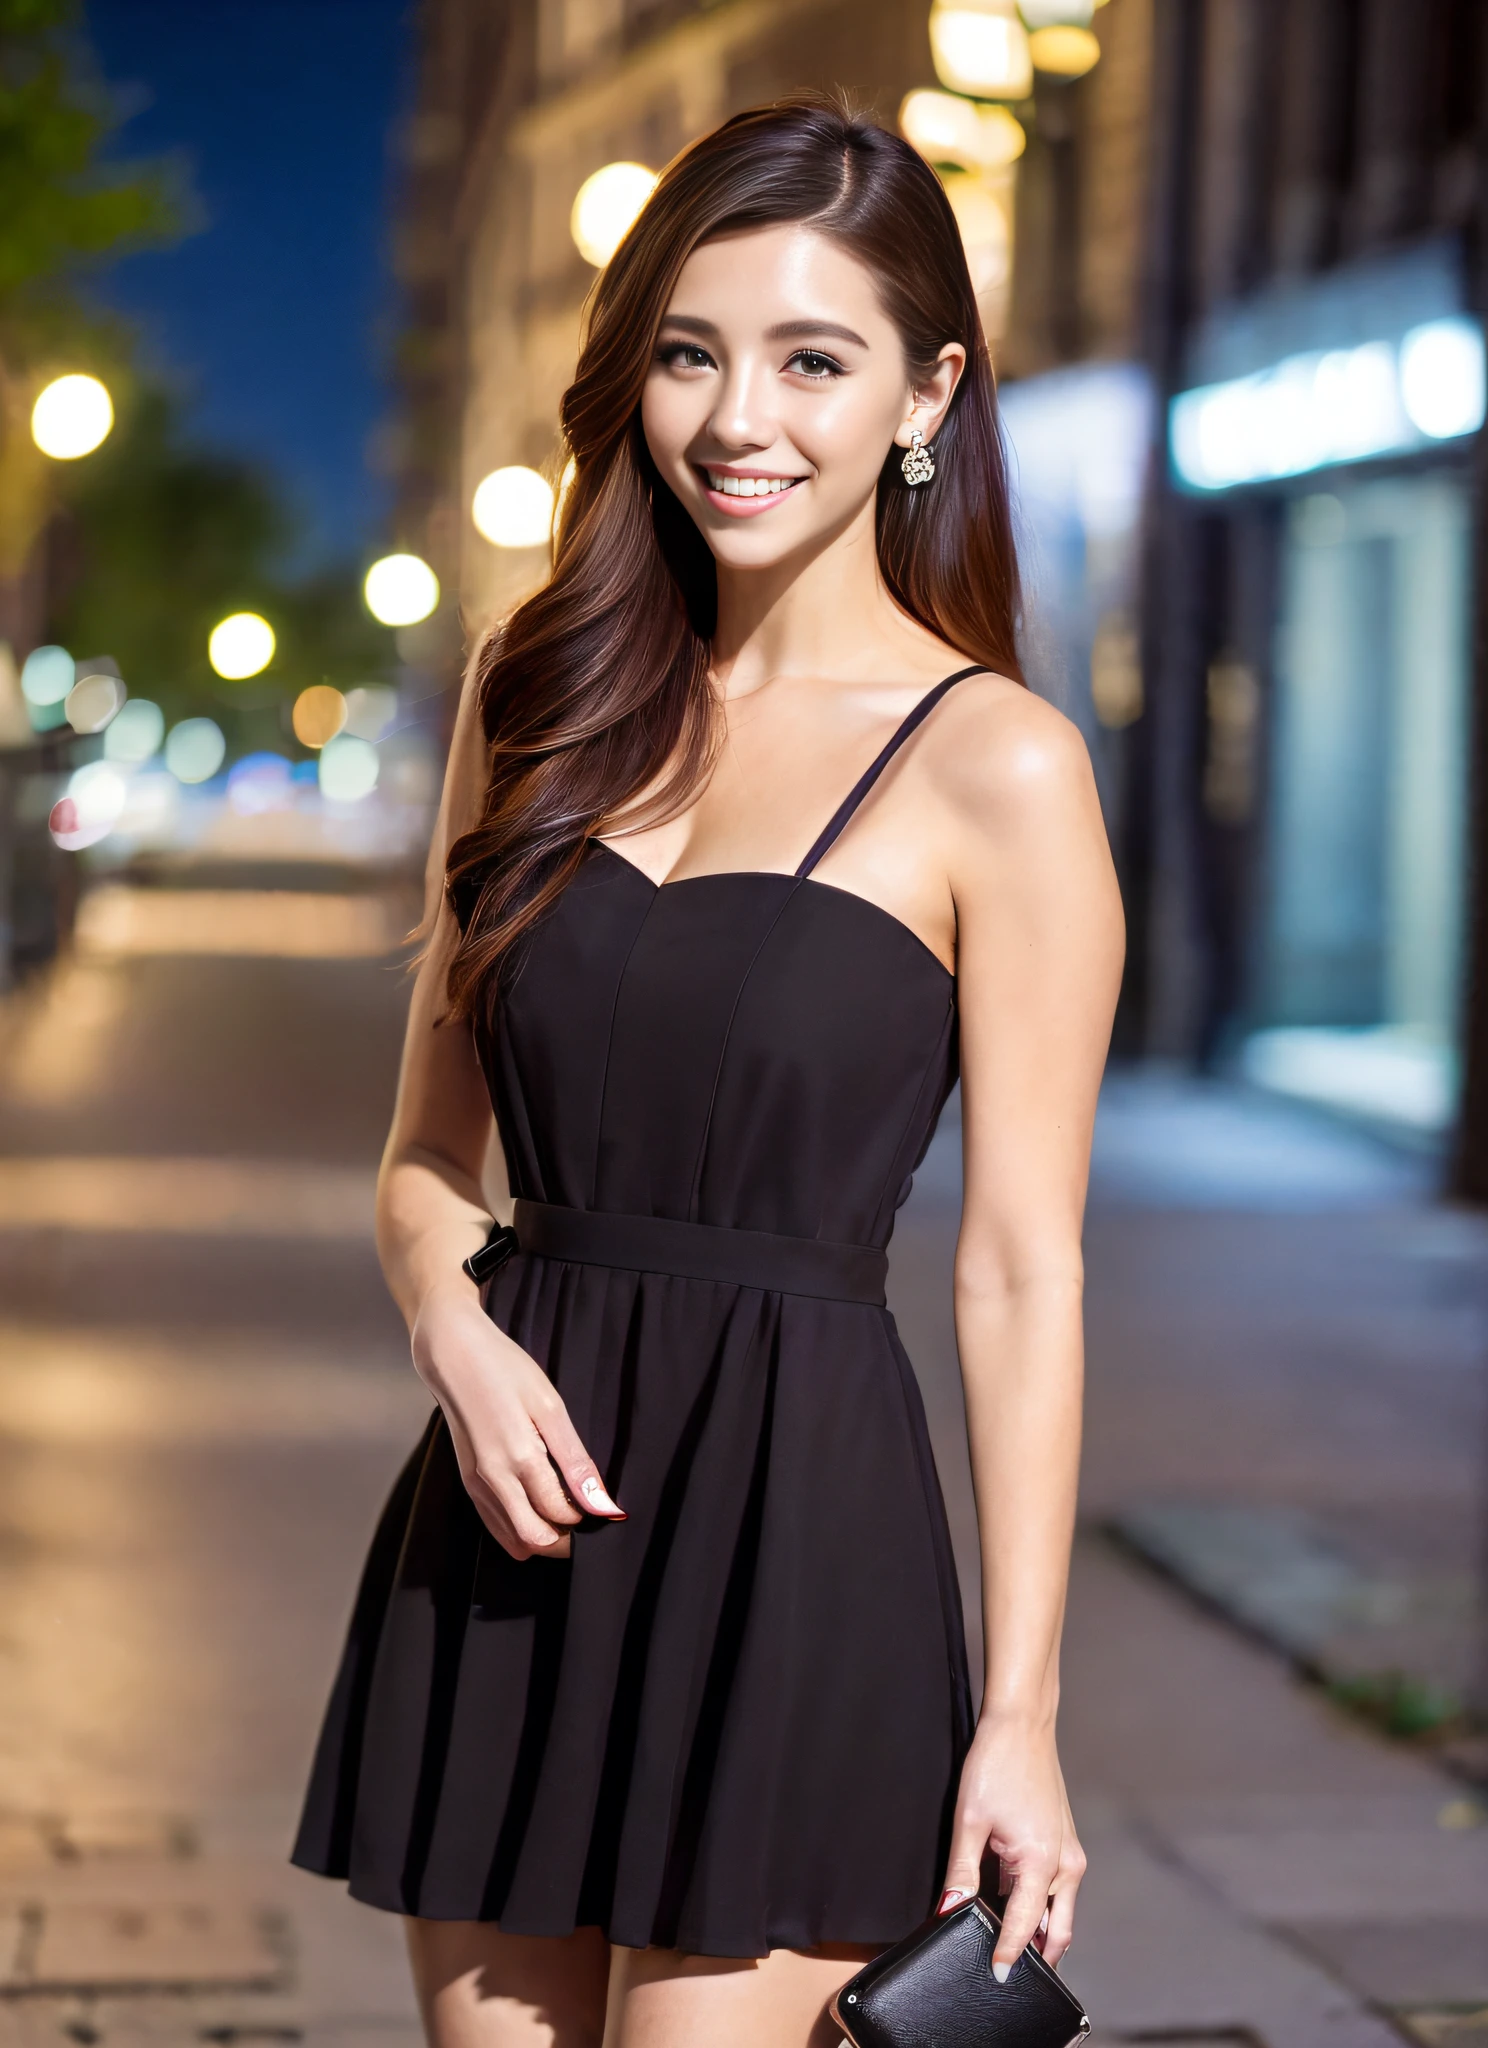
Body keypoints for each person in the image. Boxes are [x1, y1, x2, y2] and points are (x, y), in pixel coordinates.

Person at [292, 93, 1123, 2048]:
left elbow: (1021, 1272)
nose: (739, 417)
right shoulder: (539, 693)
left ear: (927, 394)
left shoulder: (999, 766)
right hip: (500, 1547)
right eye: (689, 351)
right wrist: (457, 1332)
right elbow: (427, 1158)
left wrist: (1022, 1718)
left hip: (795, 1555)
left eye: (810, 360)